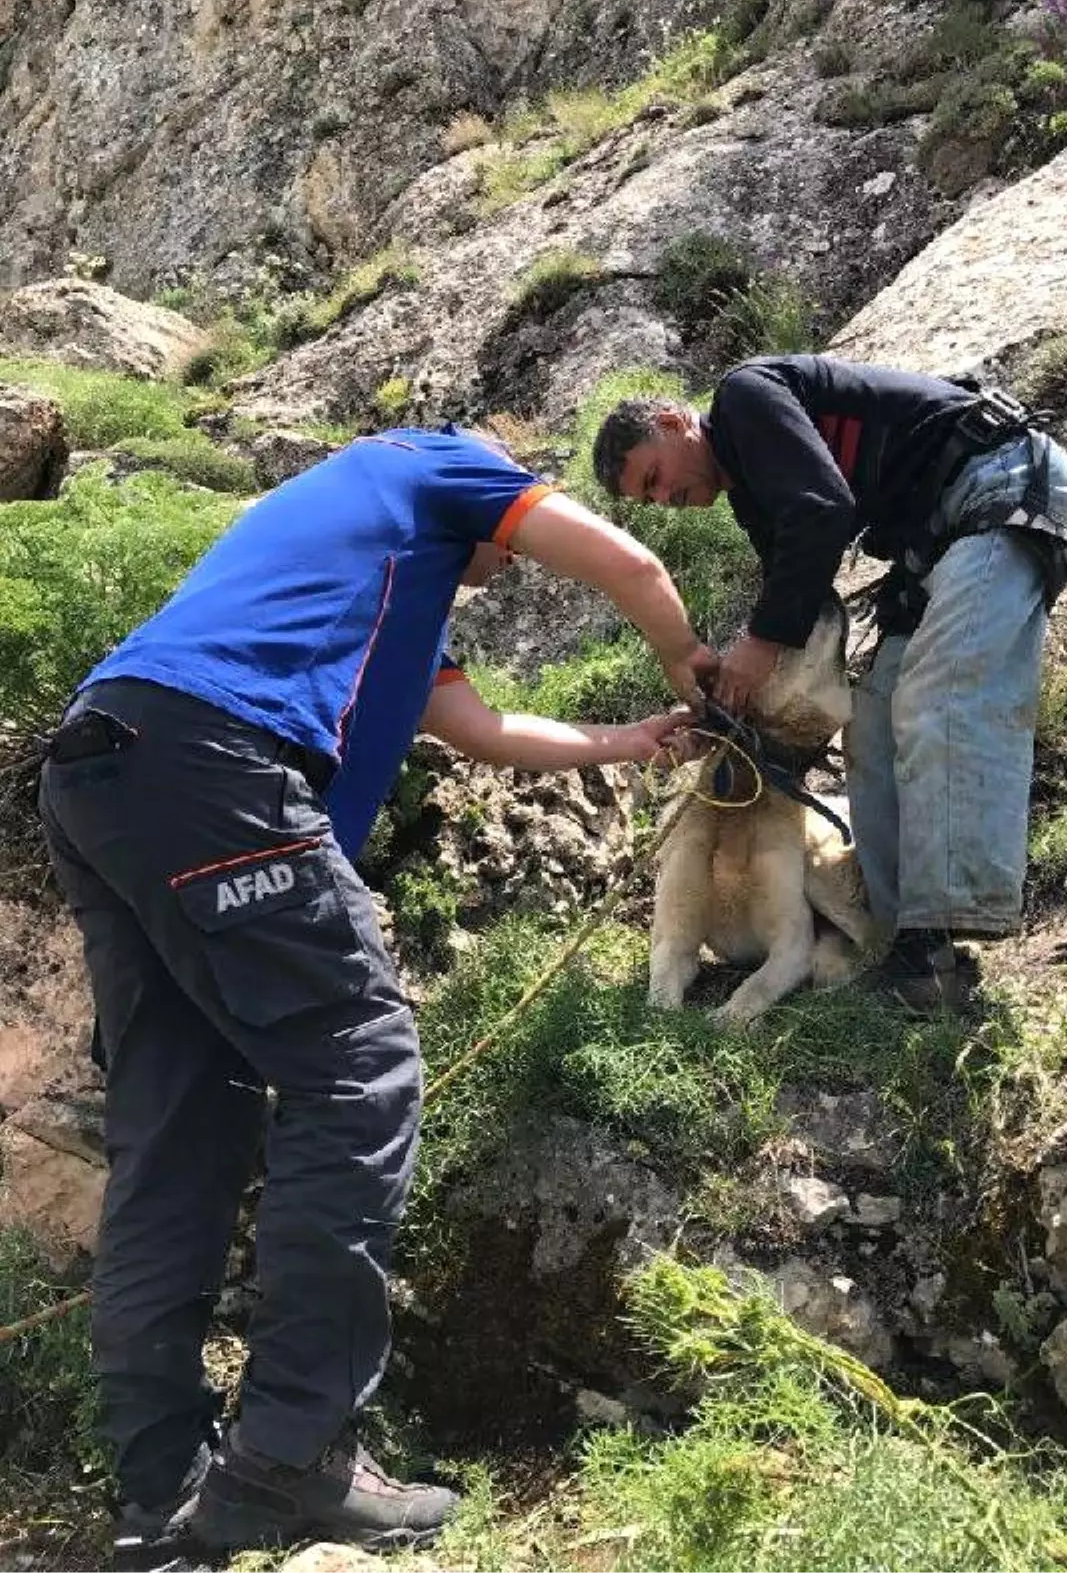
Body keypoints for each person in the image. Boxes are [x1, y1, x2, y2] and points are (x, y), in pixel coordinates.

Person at [38, 424, 715, 1564]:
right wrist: (690, 669)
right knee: (357, 1065)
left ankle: (166, 1493)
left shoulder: (374, 597)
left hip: (107, 769)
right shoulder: (431, 466)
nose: (501, 561)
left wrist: (633, 740)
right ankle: (295, 1454)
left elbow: (486, 731)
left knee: (178, 1124)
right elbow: (631, 565)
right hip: (218, 764)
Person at [591, 353, 1067, 1009]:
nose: (665, 500)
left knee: (937, 697)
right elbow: (798, 592)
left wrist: (757, 644)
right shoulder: (749, 488)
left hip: (1003, 491)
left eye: (655, 478)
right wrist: (725, 710)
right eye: (649, 499)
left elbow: (823, 510)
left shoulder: (744, 398)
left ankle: (943, 928)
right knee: (875, 718)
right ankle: (904, 937)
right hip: (936, 547)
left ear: (673, 421)